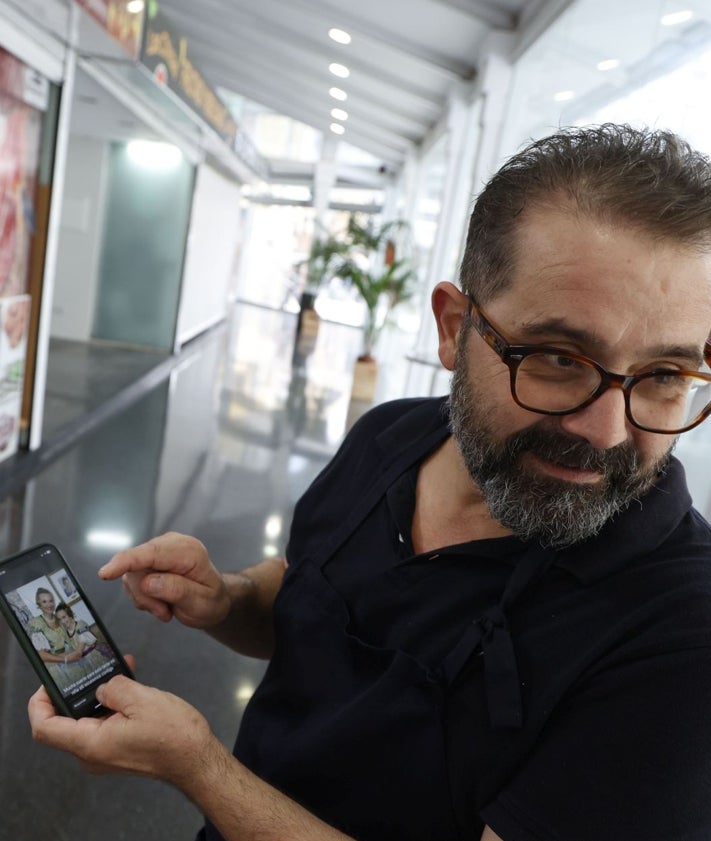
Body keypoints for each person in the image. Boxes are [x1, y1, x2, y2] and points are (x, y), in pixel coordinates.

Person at [28, 123, 711, 841]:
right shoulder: (390, 436)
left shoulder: (680, 632)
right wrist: (226, 598)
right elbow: (315, 597)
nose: (604, 432)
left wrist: (198, 767)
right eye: (557, 357)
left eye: (663, 376)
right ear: (453, 328)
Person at [27, 588, 87, 692]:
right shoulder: (36, 623)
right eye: (44, 601)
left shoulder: (60, 617)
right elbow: (41, 655)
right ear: (38, 604)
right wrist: (65, 659)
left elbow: (76, 632)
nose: (49, 604)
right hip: (58, 666)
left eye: (51, 601)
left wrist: (78, 651)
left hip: (77, 657)